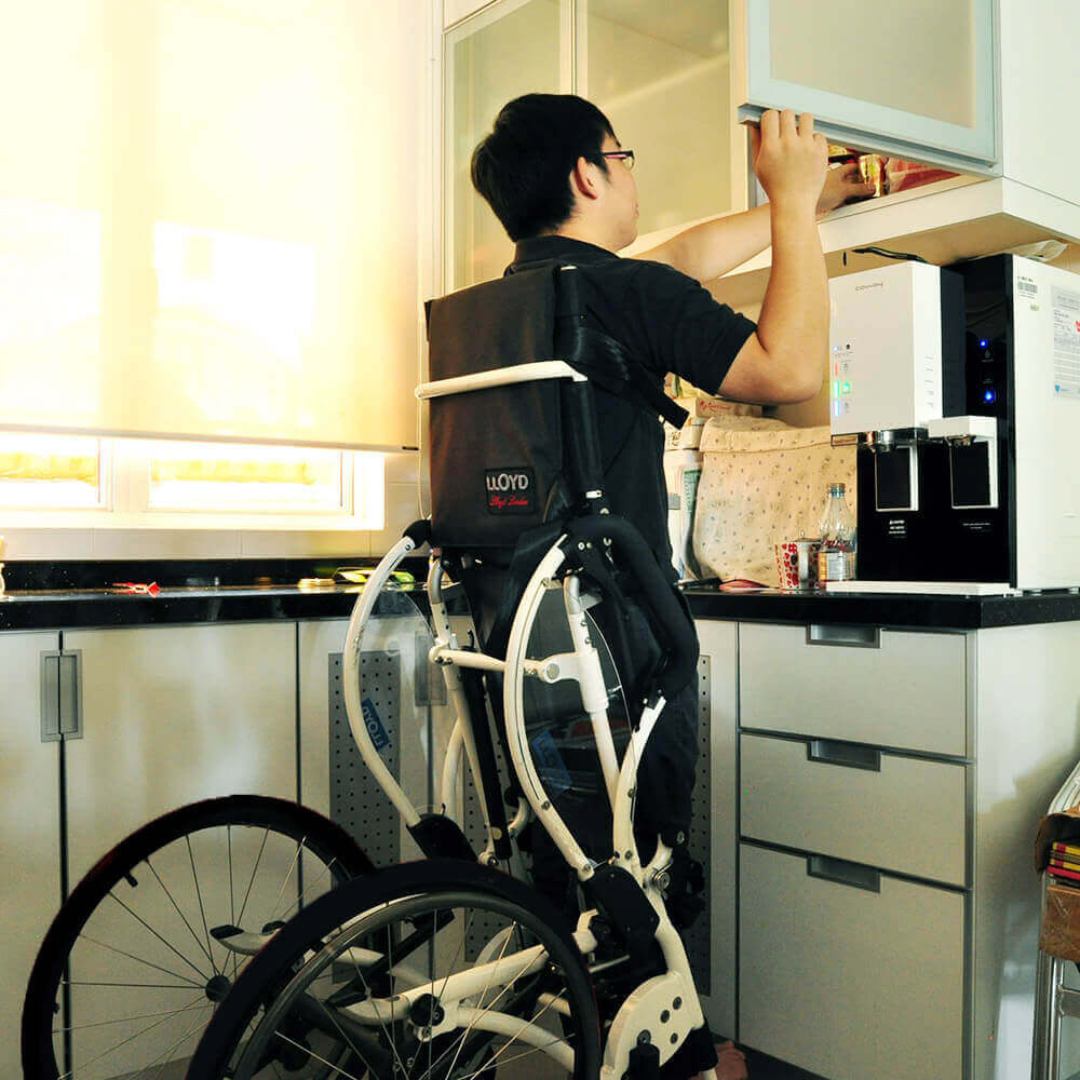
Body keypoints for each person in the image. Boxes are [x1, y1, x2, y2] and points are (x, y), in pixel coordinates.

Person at [468, 93, 868, 1080]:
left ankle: (612, 1042)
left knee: (574, 867)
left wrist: (805, 199)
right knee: (642, 869)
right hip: (619, 648)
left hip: (520, 651)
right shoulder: (618, 296)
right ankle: (672, 1060)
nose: (633, 173)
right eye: (625, 155)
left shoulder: (496, 304)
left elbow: (672, 267)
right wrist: (790, 198)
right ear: (588, 175)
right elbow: (790, 367)